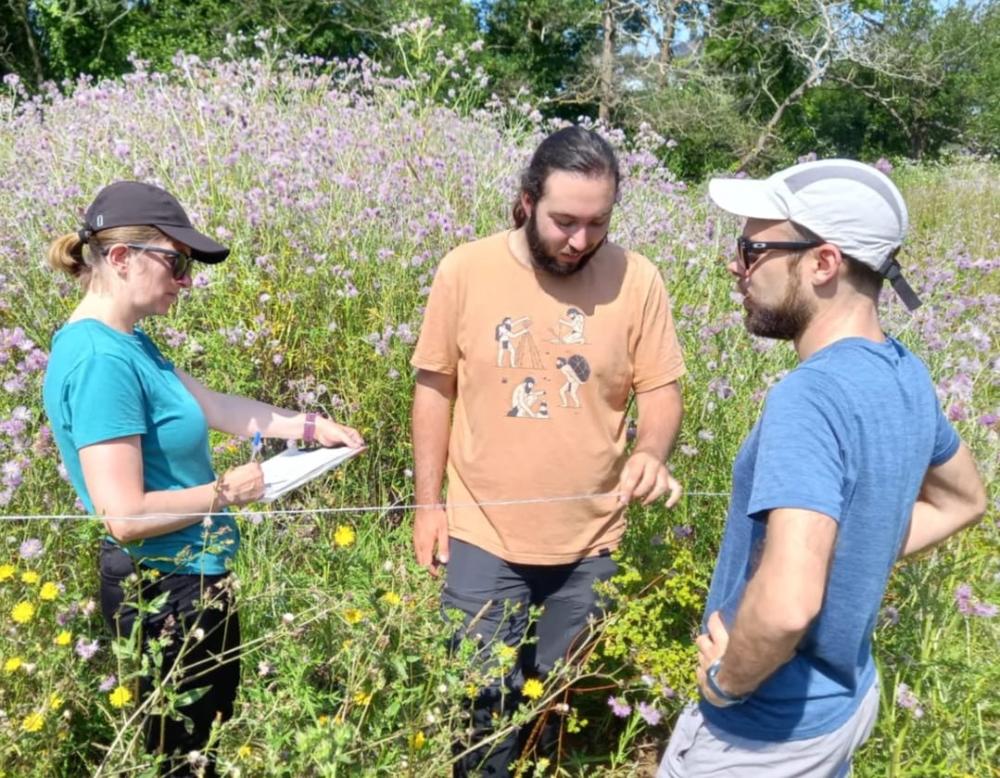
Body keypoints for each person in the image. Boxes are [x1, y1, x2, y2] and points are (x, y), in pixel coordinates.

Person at [658, 159, 987, 777]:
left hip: (760, 733)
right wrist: (857, 554)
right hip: (844, 703)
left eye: (753, 249)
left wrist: (727, 683)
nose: (736, 266)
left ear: (823, 263)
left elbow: (785, 606)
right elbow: (962, 501)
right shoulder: (903, 371)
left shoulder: (808, 398)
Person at [42, 181, 363, 777]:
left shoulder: (128, 344)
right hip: (161, 590)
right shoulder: (100, 361)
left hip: (191, 579)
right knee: (182, 762)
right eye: (176, 261)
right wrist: (227, 492)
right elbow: (126, 514)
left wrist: (311, 427)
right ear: (119, 258)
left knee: (198, 753)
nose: (185, 280)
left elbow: (216, 407)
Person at [410, 126, 686, 776]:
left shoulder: (637, 280)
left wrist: (651, 451)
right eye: (565, 221)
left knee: (552, 701)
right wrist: (428, 506)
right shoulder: (466, 269)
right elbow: (433, 390)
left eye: (598, 223)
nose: (581, 240)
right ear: (528, 199)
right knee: (479, 710)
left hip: (591, 541)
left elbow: (663, 393)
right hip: (481, 530)